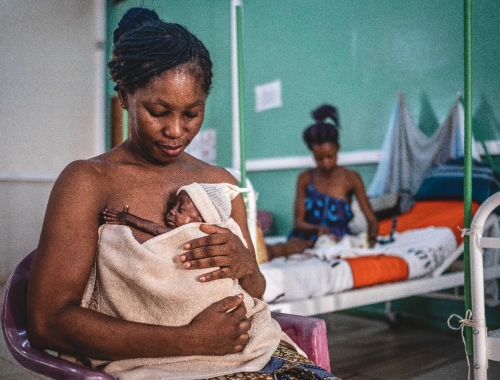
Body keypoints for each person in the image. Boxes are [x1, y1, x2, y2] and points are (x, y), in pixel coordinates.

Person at [27, 7, 338, 380]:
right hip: (159, 367)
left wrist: (245, 264)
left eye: (192, 114)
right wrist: (189, 340)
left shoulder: (218, 186)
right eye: (158, 112)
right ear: (125, 96)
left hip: (259, 354)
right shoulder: (87, 182)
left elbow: (254, 290)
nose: (175, 130)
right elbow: (48, 321)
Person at [267, 104, 379, 259]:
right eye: (320, 158)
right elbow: (298, 222)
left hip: (337, 239)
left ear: (337, 148)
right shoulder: (305, 179)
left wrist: (372, 240)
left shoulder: (352, 178)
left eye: (330, 156)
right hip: (306, 237)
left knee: (338, 248)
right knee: (285, 249)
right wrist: (318, 228)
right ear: (312, 154)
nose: (326, 162)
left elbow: (371, 219)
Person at [102, 182, 248, 236]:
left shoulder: (195, 233)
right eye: (173, 206)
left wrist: (129, 219)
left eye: (180, 210)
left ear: (202, 219)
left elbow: (156, 229)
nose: (171, 211)